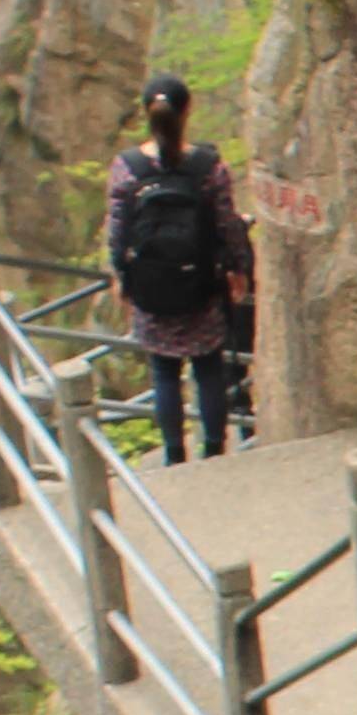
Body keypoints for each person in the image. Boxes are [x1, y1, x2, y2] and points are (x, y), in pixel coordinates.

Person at [106, 78, 254, 463]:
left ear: (145, 113)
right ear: (188, 110)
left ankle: (174, 453)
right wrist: (239, 269)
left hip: (152, 287)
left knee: (164, 371)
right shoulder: (209, 167)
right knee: (208, 367)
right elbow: (228, 225)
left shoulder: (127, 168)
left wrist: (122, 275)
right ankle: (215, 449)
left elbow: (118, 230)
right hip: (201, 282)